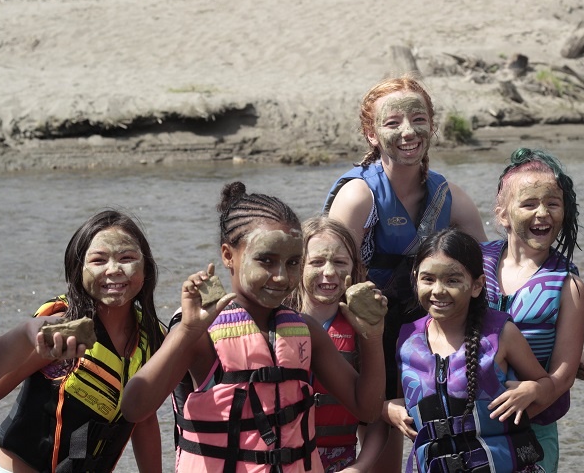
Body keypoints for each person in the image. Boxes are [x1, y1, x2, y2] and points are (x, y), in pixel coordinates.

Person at [121, 182, 387, 473]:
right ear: (227, 255)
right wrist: (185, 331)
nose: (281, 276)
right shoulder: (202, 334)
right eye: (266, 261)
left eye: (293, 262)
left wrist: (372, 336)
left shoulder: (306, 330)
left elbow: (367, 408)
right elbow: (135, 408)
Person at [323, 75, 487, 472]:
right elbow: (323, 275)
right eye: (393, 122)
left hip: (418, 342)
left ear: (432, 124)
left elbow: (491, 278)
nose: (408, 131)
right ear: (371, 134)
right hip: (356, 339)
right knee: (355, 444)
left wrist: (546, 346)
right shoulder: (359, 195)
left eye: (418, 119)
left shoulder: (450, 197)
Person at [0, 210, 165, 472]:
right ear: (78, 269)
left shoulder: (151, 337)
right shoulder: (63, 328)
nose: (114, 270)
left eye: (127, 258)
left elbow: (145, 418)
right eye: (98, 260)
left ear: (146, 267)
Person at [384, 227, 554, 473]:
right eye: (428, 279)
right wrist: (385, 409)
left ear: (476, 285)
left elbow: (547, 386)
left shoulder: (501, 334)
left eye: (453, 280)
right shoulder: (407, 339)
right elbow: (413, 401)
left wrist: (533, 389)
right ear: (415, 278)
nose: (438, 290)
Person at [481, 147, 584, 473]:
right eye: (529, 204)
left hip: (535, 426)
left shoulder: (568, 286)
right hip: (472, 423)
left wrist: (539, 388)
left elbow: (564, 374)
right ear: (502, 214)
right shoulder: (474, 266)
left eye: (552, 204)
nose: (542, 212)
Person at [287, 216, 387, 472]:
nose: (329, 272)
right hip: (282, 459)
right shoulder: (277, 324)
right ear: (298, 267)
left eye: (340, 262)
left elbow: (376, 418)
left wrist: (359, 467)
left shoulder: (367, 327)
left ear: (355, 269)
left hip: (341, 461)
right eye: (317, 262)